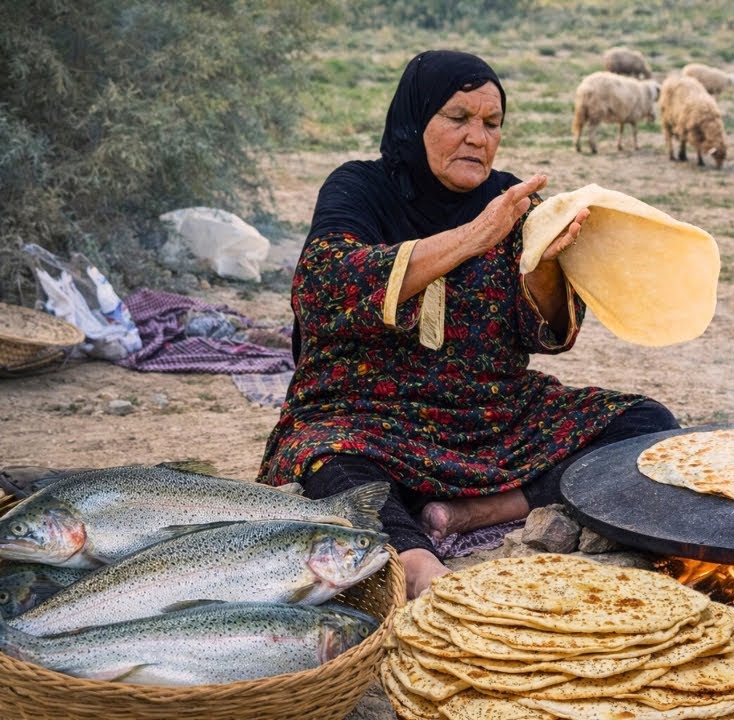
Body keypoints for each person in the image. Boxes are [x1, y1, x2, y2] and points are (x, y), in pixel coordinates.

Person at [257, 50, 680, 598]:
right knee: (329, 463)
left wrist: (545, 266)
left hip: (493, 414)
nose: (477, 138)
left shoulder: (513, 202)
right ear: (416, 119)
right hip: (366, 413)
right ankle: (413, 562)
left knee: (644, 425)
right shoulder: (359, 189)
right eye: (458, 118)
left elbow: (548, 334)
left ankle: (472, 511)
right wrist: (476, 236)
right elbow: (325, 285)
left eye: (491, 123)